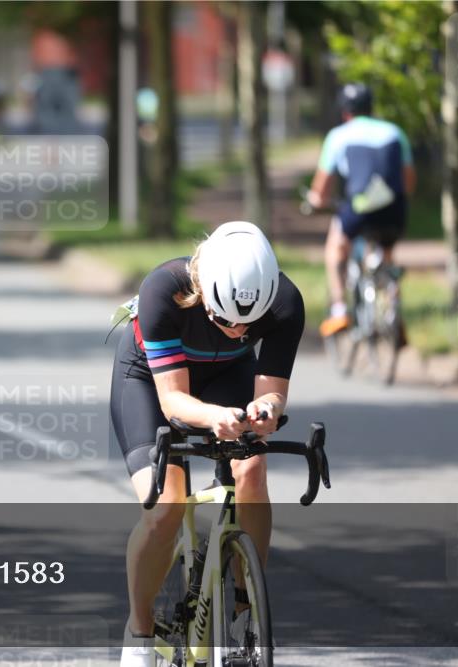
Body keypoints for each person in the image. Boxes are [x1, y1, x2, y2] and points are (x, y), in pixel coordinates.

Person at [109, 221, 304, 667]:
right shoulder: (163, 289)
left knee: (251, 469)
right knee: (166, 507)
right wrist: (216, 417)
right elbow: (173, 401)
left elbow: (272, 392)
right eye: (224, 319)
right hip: (150, 380)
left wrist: (266, 408)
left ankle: (244, 615)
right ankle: (139, 633)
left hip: (227, 374)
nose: (237, 330)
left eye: (248, 324)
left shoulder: (286, 302)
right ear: (202, 290)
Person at [306, 83, 416, 337]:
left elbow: (321, 188)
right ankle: (394, 316)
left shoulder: (338, 136)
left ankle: (339, 311)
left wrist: (315, 201)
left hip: (359, 209)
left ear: (345, 112)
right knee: (387, 256)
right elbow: (408, 181)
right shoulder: (395, 133)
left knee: (336, 246)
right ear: (371, 107)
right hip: (394, 210)